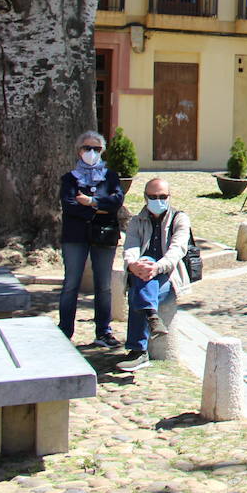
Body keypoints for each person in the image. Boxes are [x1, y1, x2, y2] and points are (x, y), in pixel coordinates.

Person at [116, 177, 192, 372]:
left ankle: (138, 351)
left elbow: (176, 251)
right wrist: (132, 264)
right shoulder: (136, 221)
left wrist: (155, 268)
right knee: (143, 273)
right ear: (145, 197)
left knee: (138, 290)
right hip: (141, 271)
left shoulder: (179, 219)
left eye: (163, 196)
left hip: (168, 275)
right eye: (153, 196)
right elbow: (131, 247)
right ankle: (151, 317)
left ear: (169, 197)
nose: (158, 200)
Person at [58, 130, 125, 347]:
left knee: (103, 285)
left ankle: (103, 331)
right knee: (71, 283)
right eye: (87, 148)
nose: (92, 152)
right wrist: (98, 208)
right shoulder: (69, 179)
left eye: (96, 149)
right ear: (79, 151)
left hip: (104, 236)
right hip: (74, 237)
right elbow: (69, 205)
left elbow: (116, 201)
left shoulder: (111, 177)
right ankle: (65, 330)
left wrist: (91, 202)